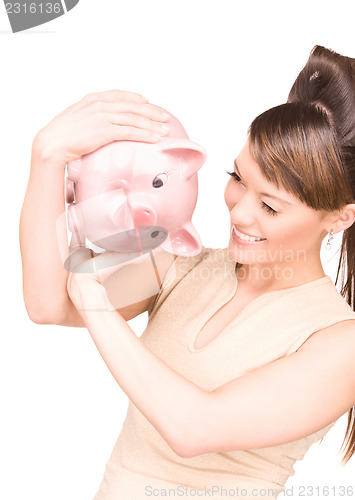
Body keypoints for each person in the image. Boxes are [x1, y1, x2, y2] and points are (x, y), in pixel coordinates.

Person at [19, 45, 355, 499]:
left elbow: (193, 428)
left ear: (339, 218)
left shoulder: (340, 342)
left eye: (270, 206)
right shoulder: (183, 267)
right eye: (237, 179)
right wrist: (48, 156)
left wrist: (93, 295)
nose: (239, 214)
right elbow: (48, 302)